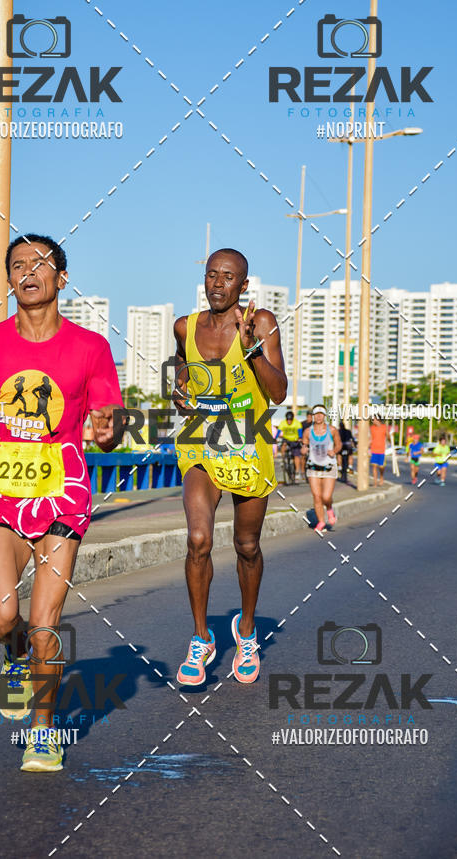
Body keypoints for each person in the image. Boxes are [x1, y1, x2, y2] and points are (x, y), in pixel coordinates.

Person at [0, 234, 124, 772]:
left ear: (61, 279)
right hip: (4, 498)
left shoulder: (91, 347)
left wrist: (108, 429)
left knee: (46, 624)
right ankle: (15, 652)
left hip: (63, 497)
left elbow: (110, 423)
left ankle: (43, 731)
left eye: (41, 263)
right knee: (1, 618)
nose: (28, 271)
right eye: (18, 265)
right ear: (9, 280)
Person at [172, 248, 287, 687]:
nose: (217, 284)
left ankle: (247, 630)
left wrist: (252, 347)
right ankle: (201, 638)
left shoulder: (261, 323)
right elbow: (181, 370)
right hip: (201, 444)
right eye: (211, 275)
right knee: (198, 539)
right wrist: (179, 392)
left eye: (227, 277)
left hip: (248, 445)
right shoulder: (185, 327)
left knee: (247, 545)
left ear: (244, 284)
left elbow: (278, 392)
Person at [301, 406, 342, 532]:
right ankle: (321, 521)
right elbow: (304, 445)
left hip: (329, 467)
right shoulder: (307, 431)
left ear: (324, 416)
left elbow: (339, 444)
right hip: (313, 467)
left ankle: (329, 508)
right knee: (317, 496)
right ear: (313, 416)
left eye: (321, 414)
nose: (318, 416)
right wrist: (303, 450)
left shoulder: (332, 430)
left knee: (326, 497)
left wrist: (334, 451)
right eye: (316, 414)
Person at [278, 410, 303, 482]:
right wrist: (275, 438)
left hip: (295, 440)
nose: (289, 421)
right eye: (288, 420)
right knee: (283, 444)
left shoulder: (297, 423)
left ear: (292, 419)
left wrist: (300, 438)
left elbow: (300, 432)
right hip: (287, 439)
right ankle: (283, 459)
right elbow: (278, 431)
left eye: (290, 420)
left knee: (296, 455)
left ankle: (297, 472)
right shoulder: (283, 423)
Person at [370, 417, 388, 486]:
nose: (372, 421)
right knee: (374, 466)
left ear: (378, 419)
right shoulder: (372, 428)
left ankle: (381, 476)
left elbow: (388, 436)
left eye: (373, 419)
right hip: (374, 450)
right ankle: (375, 482)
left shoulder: (384, 427)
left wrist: (390, 435)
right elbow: (370, 438)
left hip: (381, 450)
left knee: (381, 467)